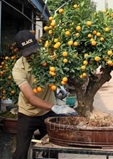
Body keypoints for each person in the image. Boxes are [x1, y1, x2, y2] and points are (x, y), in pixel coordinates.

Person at [12, 30, 76, 159]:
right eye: (28, 53)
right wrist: (55, 107)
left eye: (34, 51)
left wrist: (60, 86)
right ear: (21, 53)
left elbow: (60, 72)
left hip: (47, 113)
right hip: (28, 113)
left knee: (52, 151)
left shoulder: (48, 59)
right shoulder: (18, 69)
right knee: (20, 154)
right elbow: (30, 98)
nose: (33, 55)